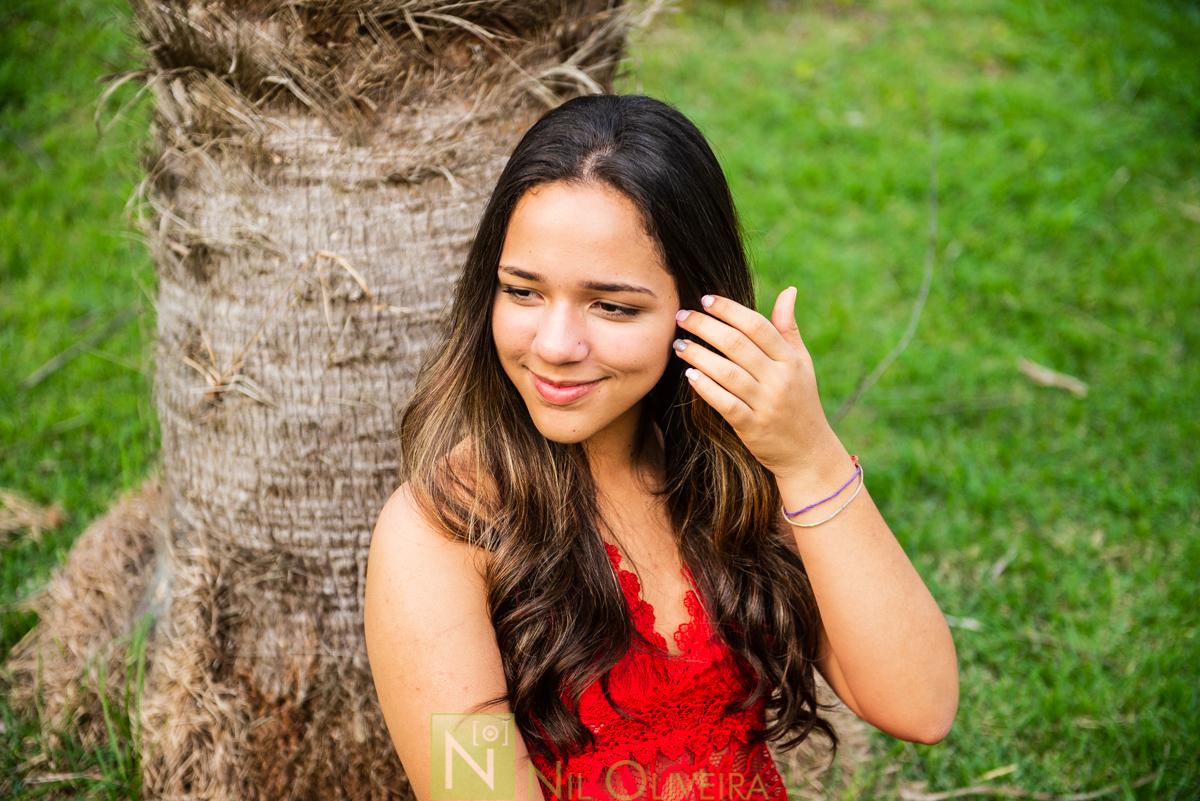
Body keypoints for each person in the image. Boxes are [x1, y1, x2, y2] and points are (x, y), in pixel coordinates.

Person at [364, 94, 959, 801]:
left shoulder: (737, 472)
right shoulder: (445, 529)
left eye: (612, 306)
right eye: (522, 291)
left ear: (698, 308)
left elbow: (919, 704)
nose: (555, 346)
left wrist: (809, 457)